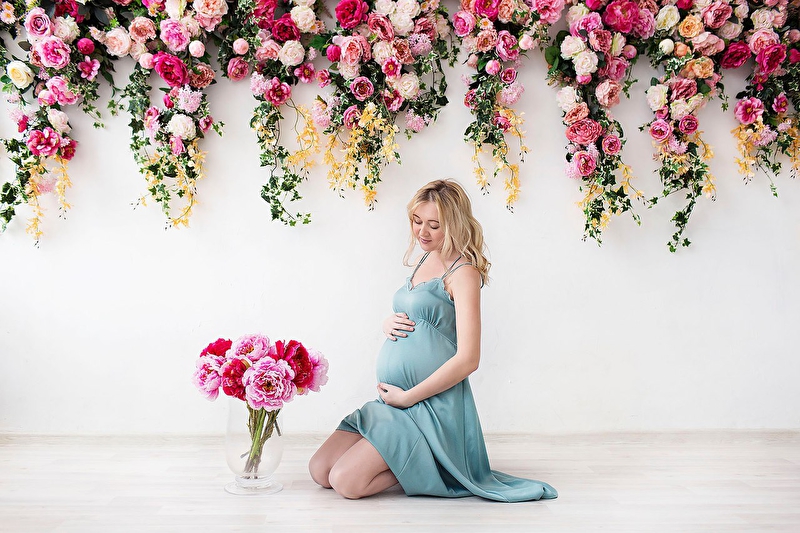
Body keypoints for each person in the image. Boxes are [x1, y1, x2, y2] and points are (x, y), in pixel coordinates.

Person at [308, 179, 557, 502]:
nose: (422, 232)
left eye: (434, 225)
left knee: (345, 482)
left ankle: (435, 466)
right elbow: (421, 317)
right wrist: (387, 322)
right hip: (394, 402)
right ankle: (419, 462)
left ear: (453, 224)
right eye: (417, 221)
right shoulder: (425, 259)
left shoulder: (463, 273)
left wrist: (408, 398)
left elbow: (469, 359)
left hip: (428, 406)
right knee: (320, 470)